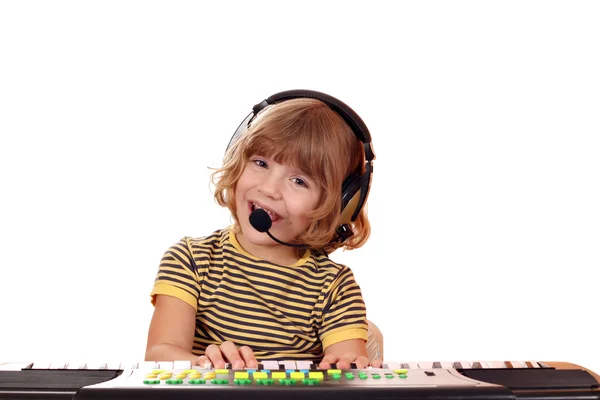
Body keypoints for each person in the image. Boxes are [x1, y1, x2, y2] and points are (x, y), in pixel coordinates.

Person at [145, 90, 381, 371]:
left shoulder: (335, 287)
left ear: (340, 204)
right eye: (260, 163)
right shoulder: (191, 259)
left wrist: (346, 366)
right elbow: (160, 353)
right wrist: (204, 364)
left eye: (299, 181)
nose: (269, 189)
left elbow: (349, 364)